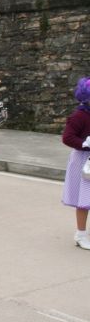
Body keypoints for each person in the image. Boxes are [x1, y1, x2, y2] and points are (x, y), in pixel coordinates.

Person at [62, 77, 90, 249]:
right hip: (83, 161)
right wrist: (85, 143)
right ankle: (80, 234)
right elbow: (67, 137)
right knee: (85, 200)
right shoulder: (79, 115)